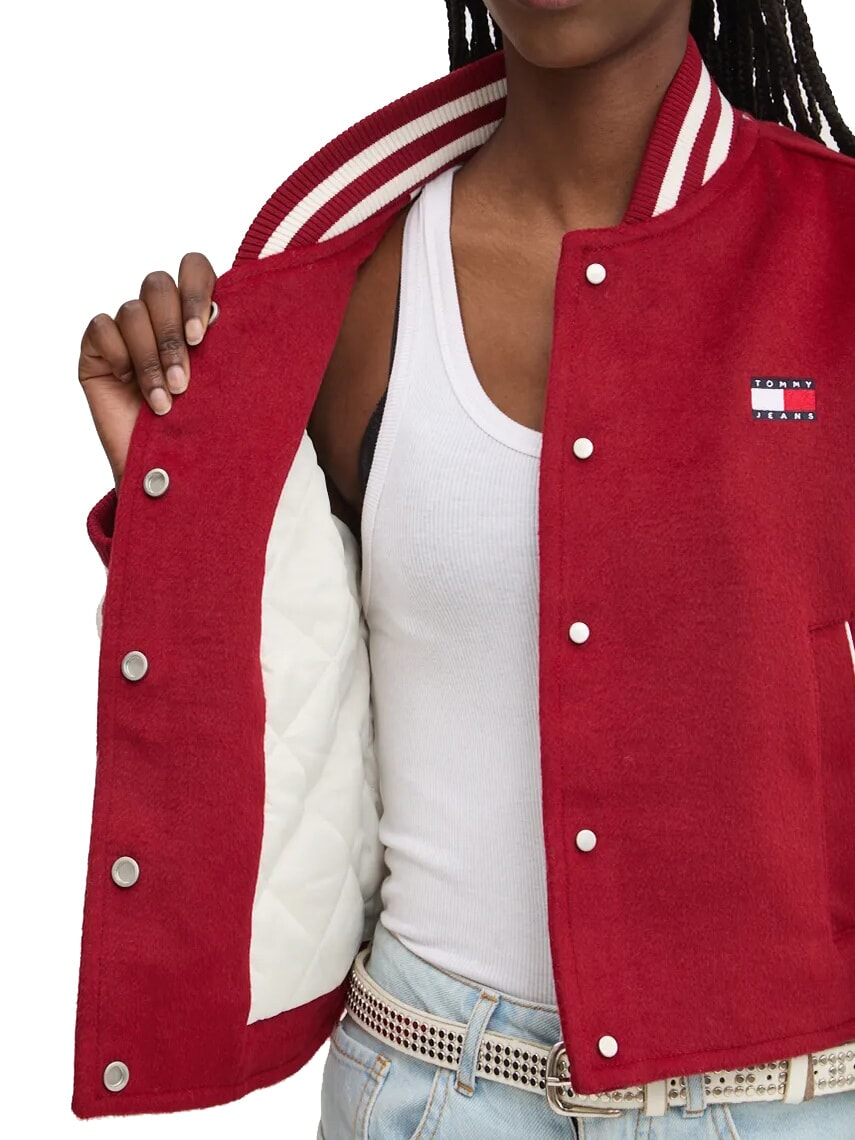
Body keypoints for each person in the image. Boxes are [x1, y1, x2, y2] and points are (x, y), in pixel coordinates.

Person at [75, 0, 855, 1136]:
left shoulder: (832, 253)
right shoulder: (347, 281)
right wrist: (177, 488)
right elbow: (289, 695)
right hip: (424, 1084)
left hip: (787, 1096)